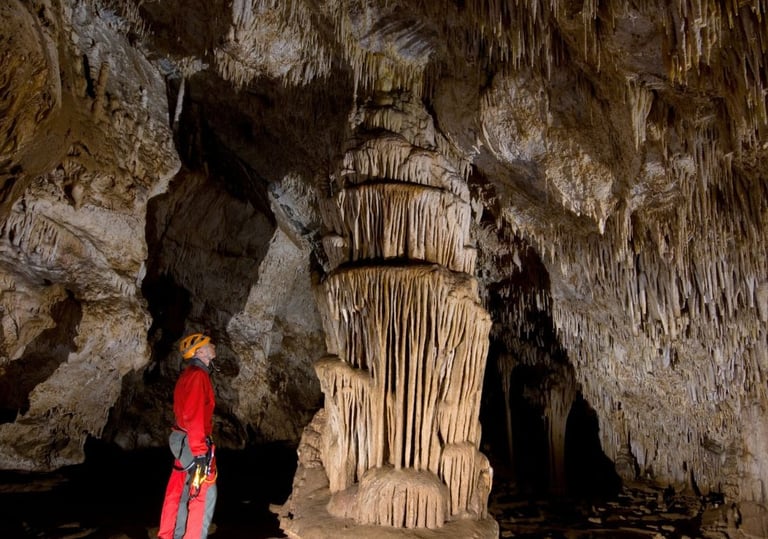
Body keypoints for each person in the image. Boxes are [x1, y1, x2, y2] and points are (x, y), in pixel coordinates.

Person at [158, 333, 218, 539]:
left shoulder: (190, 374)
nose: (213, 346)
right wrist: (200, 451)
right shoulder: (197, 376)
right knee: (205, 492)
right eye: (208, 344)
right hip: (191, 441)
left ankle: (173, 535)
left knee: (180, 490)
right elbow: (193, 414)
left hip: (183, 440)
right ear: (200, 351)